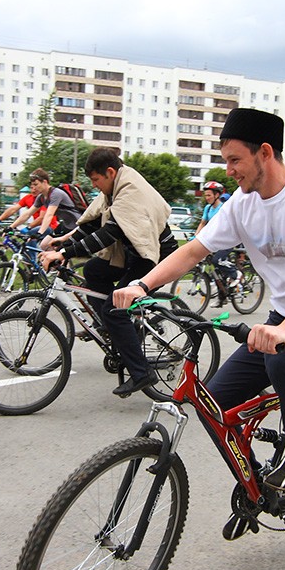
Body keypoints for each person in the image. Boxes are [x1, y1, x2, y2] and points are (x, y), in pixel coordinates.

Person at [114, 108, 285, 516]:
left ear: (264, 152)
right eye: (225, 160)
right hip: (281, 323)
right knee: (211, 401)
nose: (228, 170)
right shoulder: (241, 206)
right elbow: (195, 250)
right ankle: (257, 487)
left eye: (234, 160)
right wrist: (143, 285)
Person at [39, 147, 176, 397]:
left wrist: (64, 254)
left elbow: (108, 233)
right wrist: (64, 244)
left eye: (95, 180)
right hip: (134, 252)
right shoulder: (114, 186)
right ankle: (111, 326)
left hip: (155, 256)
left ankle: (141, 373)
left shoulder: (129, 191)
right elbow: (92, 223)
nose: (94, 186)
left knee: (115, 307)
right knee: (93, 270)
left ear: (109, 172)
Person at [196, 180, 238, 300]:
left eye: (209, 195)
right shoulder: (208, 208)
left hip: (227, 240)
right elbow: (202, 223)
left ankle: (236, 274)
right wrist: (195, 237)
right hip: (215, 240)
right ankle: (222, 297)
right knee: (214, 267)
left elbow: (222, 227)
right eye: (206, 195)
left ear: (217, 195)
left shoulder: (223, 208)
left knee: (216, 261)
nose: (206, 197)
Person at [9, 169, 81, 238]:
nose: (34, 187)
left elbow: (49, 215)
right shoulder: (41, 197)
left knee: (59, 248)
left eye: (36, 184)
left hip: (77, 225)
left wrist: (40, 232)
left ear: (45, 182)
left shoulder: (55, 194)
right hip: (66, 225)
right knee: (44, 244)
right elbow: (28, 214)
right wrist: (11, 227)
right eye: (33, 185)